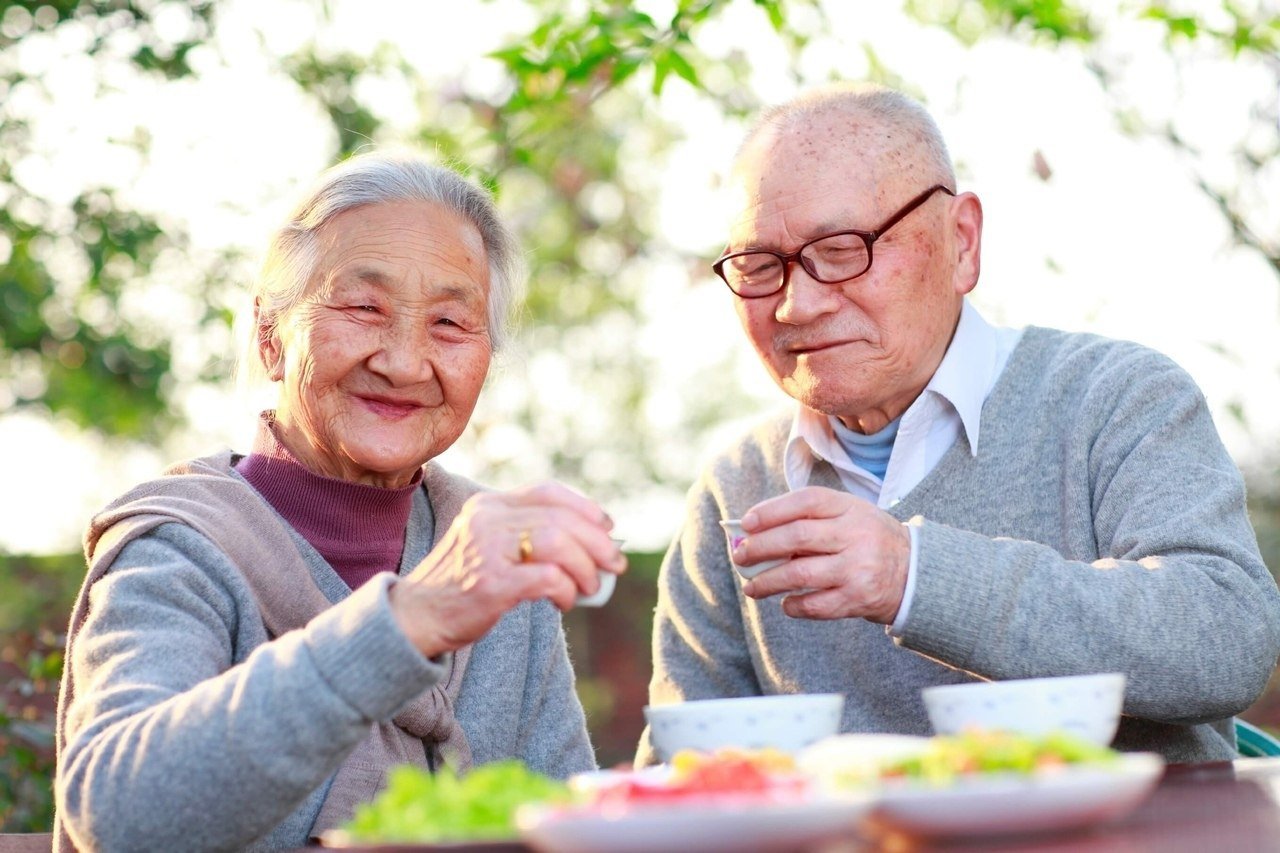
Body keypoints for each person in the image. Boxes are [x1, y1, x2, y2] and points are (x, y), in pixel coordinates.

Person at [640, 83, 1280, 765]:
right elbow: (689, 775)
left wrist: (912, 574)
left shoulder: (1116, 398)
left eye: (841, 248)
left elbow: (1226, 637)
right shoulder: (738, 485)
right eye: (761, 266)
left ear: (962, 242)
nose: (796, 305)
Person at [54, 151, 627, 852]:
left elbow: (569, 823)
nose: (404, 361)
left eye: (449, 324)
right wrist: (410, 618)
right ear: (271, 337)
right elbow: (119, 820)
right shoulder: (180, 548)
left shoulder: (500, 557)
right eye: (363, 308)